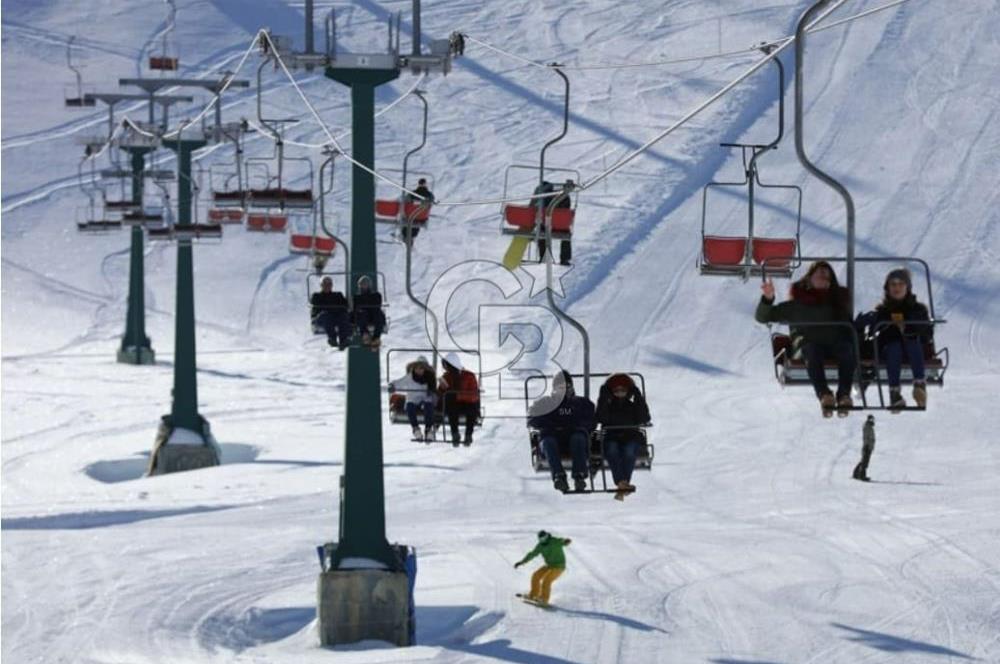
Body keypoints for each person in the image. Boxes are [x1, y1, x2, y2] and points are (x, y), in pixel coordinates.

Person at [756, 260, 856, 417]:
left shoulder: (837, 304)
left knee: (846, 348)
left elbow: (849, 330)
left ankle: (844, 394)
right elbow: (763, 317)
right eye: (820, 274)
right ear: (809, 279)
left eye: (827, 276)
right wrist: (768, 298)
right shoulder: (797, 305)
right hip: (809, 349)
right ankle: (824, 394)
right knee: (812, 350)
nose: (824, 277)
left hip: (834, 347)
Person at [855, 268, 931, 410]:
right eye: (893, 284)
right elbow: (874, 335)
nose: (897, 288)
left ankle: (919, 385)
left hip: (913, 351)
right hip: (889, 351)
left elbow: (927, 335)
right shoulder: (882, 311)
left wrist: (907, 328)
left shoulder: (918, 309)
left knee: (912, 340)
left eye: (901, 284)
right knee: (894, 346)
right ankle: (894, 392)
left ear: (907, 287)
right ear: (888, 288)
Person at [528, 370, 596, 492]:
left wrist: (578, 426)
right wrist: (550, 426)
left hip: (575, 440)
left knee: (578, 438)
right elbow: (532, 419)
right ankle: (559, 476)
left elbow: (592, 421)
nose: (564, 390)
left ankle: (579, 476)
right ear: (554, 388)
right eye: (560, 387)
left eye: (567, 387)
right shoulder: (546, 403)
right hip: (552, 440)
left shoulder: (581, 403)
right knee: (548, 442)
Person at [596, 373, 651, 500]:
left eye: (623, 390)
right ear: (611, 391)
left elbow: (644, 418)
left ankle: (621, 483)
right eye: (616, 390)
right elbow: (600, 417)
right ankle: (623, 483)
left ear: (628, 391)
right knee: (612, 450)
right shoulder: (608, 406)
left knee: (629, 451)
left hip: (631, 436)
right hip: (612, 436)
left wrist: (638, 396)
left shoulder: (633, 406)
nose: (620, 392)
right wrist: (603, 398)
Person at [514, 530, 571, 606]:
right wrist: (522, 562)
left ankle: (544, 600)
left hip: (559, 566)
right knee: (535, 576)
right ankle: (533, 595)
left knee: (546, 581)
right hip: (549, 565)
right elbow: (532, 554)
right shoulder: (540, 545)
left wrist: (566, 541)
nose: (542, 540)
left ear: (547, 536)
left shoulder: (554, 541)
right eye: (541, 539)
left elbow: (563, 541)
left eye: (544, 538)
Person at [389, 356, 437, 440]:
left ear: (425, 369)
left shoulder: (430, 378)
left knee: (428, 404)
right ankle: (415, 428)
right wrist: (393, 385)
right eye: (417, 368)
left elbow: (434, 389)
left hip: (424, 400)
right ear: (414, 368)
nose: (419, 370)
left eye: (422, 368)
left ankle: (428, 429)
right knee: (410, 405)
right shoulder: (410, 377)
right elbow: (399, 382)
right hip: (413, 400)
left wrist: (431, 392)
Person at [438, 352, 480, 446]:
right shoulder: (447, 377)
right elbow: (441, 395)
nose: (446, 369)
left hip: (468, 403)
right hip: (454, 405)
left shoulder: (469, 376)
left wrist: (457, 396)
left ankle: (468, 435)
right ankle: (455, 434)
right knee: (451, 409)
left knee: (472, 410)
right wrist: (442, 388)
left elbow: (474, 395)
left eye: (447, 366)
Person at [533, 179, 573, 266]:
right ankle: (565, 258)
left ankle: (543, 256)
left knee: (541, 230)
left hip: (547, 225)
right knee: (566, 233)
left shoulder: (544, 196)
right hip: (561, 227)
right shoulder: (565, 196)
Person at [310, 276, 350, 349]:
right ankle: (332, 338)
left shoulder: (338, 295)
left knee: (343, 316)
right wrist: (333, 309)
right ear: (321, 285)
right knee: (326, 315)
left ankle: (343, 340)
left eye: (329, 284)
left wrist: (334, 309)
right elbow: (317, 309)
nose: (327, 286)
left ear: (332, 285)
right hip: (322, 318)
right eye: (325, 284)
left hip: (335, 317)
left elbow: (344, 306)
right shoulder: (316, 296)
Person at [353, 275, 385, 348]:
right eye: (362, 284)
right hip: (363, 316)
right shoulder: (357, 297)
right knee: (362, 314)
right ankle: (365, 334)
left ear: (369, 285)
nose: (363, 286)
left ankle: (376, 337)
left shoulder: (376, 295)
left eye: (365, 284)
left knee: (378, 314)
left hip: (374, 314)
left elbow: (377, 305)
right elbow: (356, 308)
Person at [401, 178, 434, 244]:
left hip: (410, 216)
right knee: (417, 222)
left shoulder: (412, 194)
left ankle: (405, 236)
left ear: (418, 184)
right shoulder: (429, 195)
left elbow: (406, 201)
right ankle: (411, 237)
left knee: (409, 221)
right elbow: (431, 203)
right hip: (422, 217)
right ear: (425, 185)